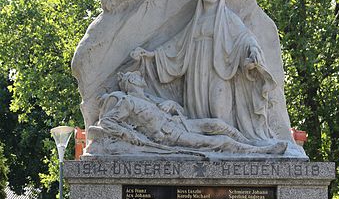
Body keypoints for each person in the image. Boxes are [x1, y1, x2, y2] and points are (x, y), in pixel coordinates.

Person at [130, 0, 278, 141]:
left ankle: (230, 142)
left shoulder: (227, 18)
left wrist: (254, 49)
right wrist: (151, 54)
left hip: (218, 66)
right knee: (196, 107)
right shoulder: (195, 21)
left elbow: (244, 36)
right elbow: (177, 43)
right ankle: (201, 141)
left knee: (218, 104)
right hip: (196, 66)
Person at [87, 71, 287, 156]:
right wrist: (128, 134)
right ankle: (260, 153)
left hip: (180, 123)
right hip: (169, 136)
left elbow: (179, 109)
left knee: (218, 125)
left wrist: (172, 104)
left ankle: (252, 142)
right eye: (138, 78)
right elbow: (107, 122)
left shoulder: (149, 98)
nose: (142, 79)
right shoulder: (126, 101)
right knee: (220, 142)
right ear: (131, 82)